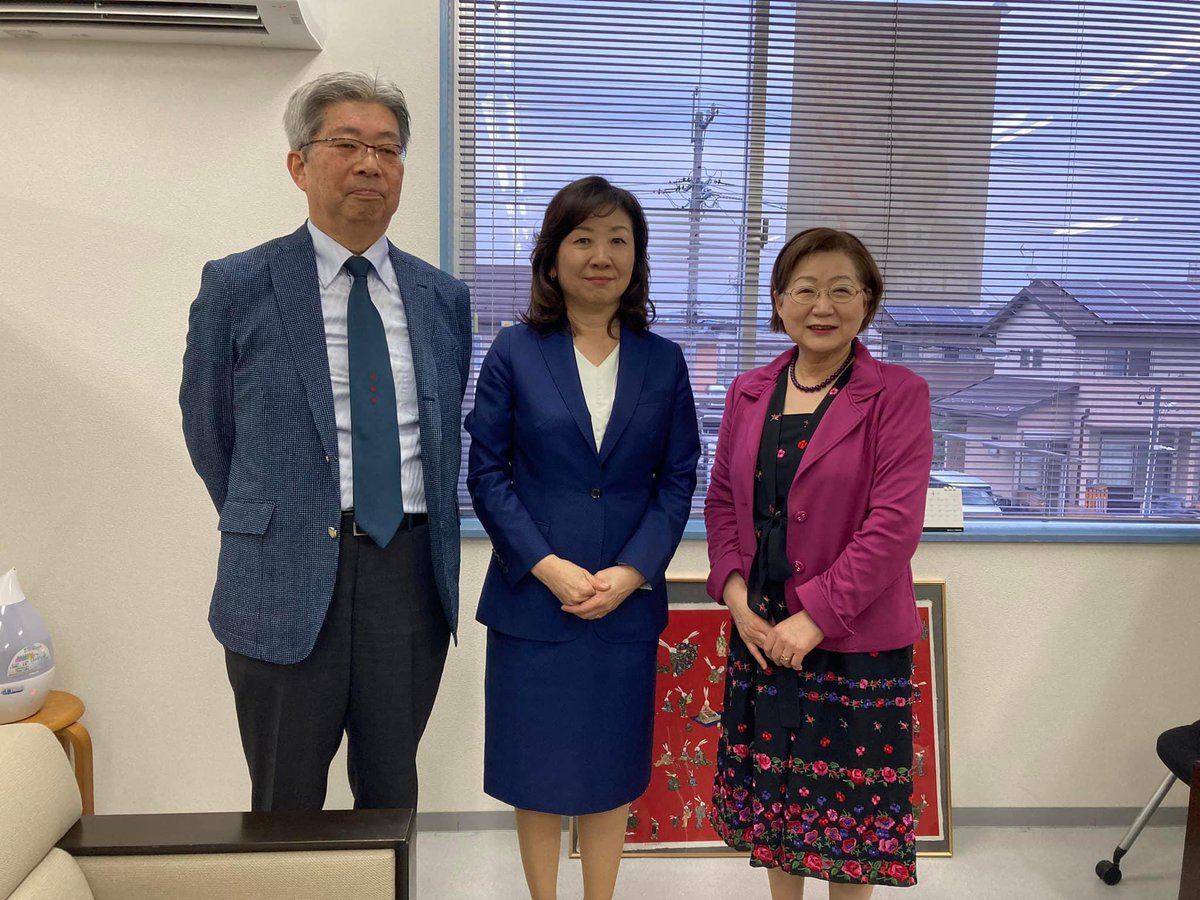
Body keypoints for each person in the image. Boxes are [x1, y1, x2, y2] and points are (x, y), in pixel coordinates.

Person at [180, 72, 471, 811]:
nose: (371, 163)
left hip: (408, 572)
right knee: (284, 799)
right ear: (299, 164)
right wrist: (274, 516)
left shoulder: (443, 298)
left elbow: (441, 438)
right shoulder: (239, 284)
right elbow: (208, 428)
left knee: (391, 793)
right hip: (282, 572)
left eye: (388, 149)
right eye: (347, 144)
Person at [466, 176, 700, 900]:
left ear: (637, 258)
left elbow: (677, 480)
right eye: (584, 239)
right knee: (533, 771)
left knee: (610, 771)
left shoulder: (664, 361)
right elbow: (487, 473)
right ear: (552, 255)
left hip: (624, 605)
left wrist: (632, 573)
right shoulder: (514, 351)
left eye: (618, 241)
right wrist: (546, 565)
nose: (602, 256)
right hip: (534, 601)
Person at [704, 228, 932, 897]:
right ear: (779, 302)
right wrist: (737, 597)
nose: (822, 306)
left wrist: (815, 618)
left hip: (852, 639)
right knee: (777, 808)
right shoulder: (749, 390)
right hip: (763, 633)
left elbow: (894, 527)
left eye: (841, 290)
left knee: (848, 826)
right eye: (804, 289)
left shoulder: (898, 394)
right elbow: (722, 503)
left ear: (868, 303)